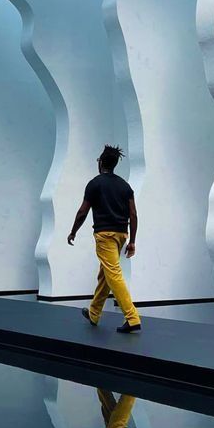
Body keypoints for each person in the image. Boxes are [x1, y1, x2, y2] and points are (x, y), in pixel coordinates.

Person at [67, 143, 141, 333]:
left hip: (105, 235)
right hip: (121, 235)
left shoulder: (95, 183)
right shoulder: (125, 186)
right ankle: (94, 312)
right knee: (105, 274)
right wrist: (132, 240)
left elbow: (83, 211)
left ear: (101, 163)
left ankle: (132, 318)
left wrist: (73, 231)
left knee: (113, 274)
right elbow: (133, 215)